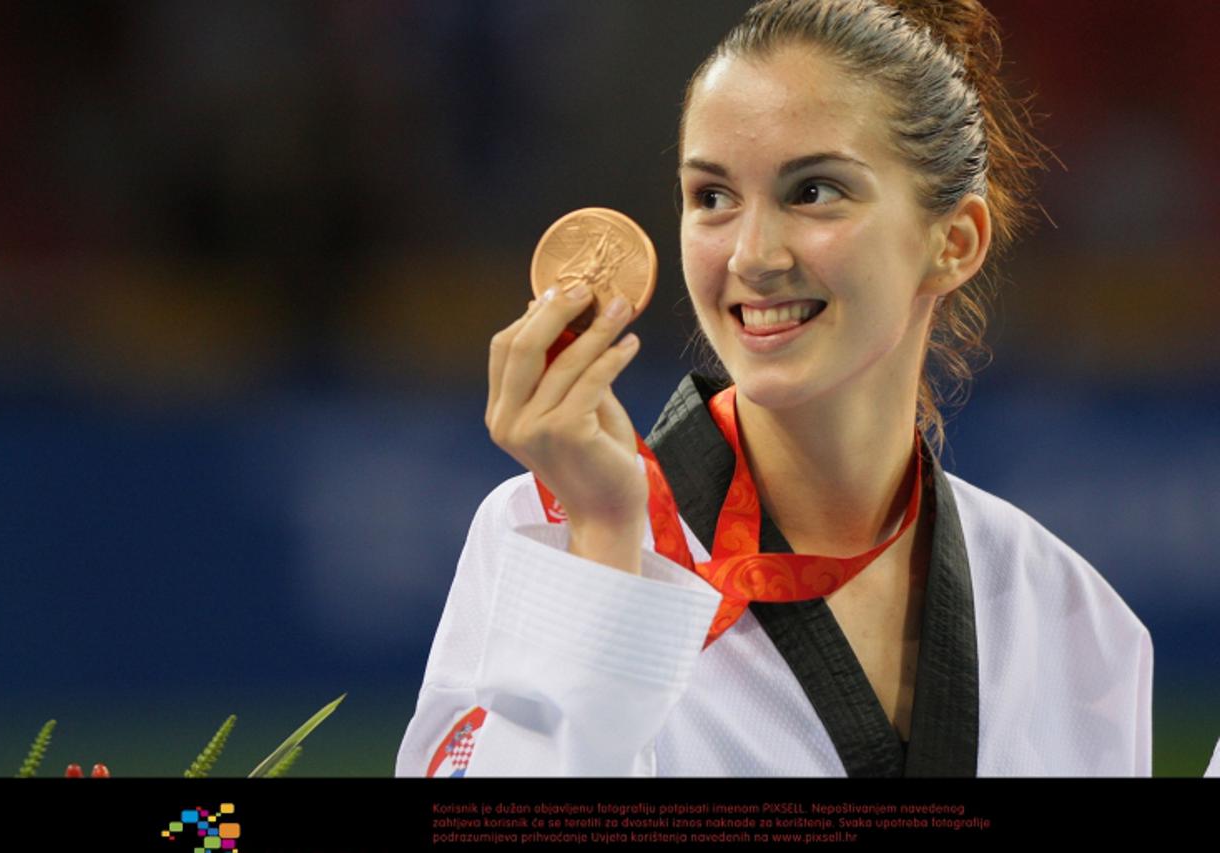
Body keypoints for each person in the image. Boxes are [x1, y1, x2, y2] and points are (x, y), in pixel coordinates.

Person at [396, 0, 1152, 777]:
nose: (752, 255)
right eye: (713, 198)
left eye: (814, 191)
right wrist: (606, 545)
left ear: (952, 242)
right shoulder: (552, 533)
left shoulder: (1074, 622)